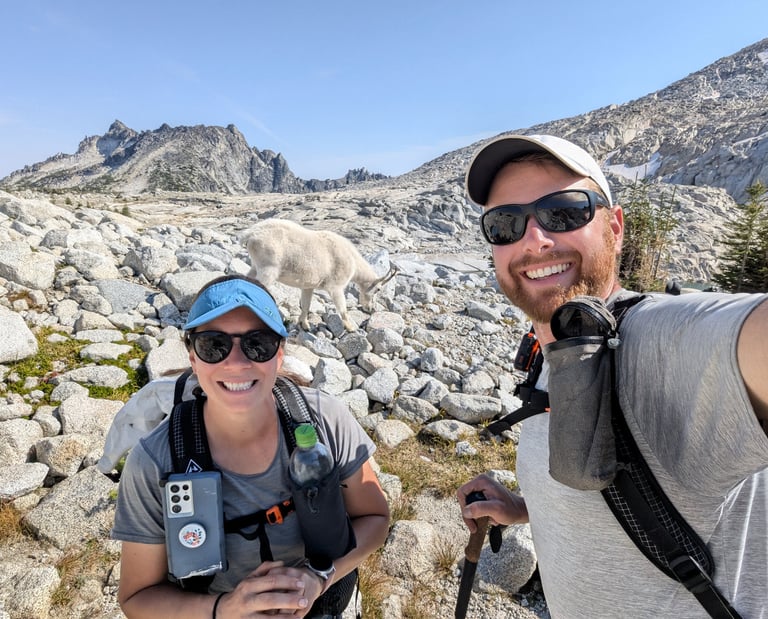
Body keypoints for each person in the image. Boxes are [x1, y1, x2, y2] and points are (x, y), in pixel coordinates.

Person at [457, 134, 768, 617]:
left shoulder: (663, 340)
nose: (534, 240)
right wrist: (525, 507)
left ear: (615, 228)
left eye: (564, 212)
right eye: (506, 224)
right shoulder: (554, 350)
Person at [112, 274, 390, 618]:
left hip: (324, 600)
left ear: (279, 355)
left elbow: (375, 517)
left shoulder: (325, 419)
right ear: (193, 358)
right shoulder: (155, 461)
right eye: (213, 345)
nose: (237, 363)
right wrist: (225, 609)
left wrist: (318, 577)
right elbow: (137, 596)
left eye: (258, 344)